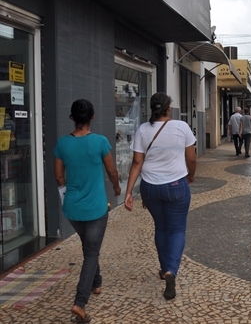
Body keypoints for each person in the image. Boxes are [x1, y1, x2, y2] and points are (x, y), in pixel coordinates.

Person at [54, 99, 121, 323]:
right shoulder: (100, 142)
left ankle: (97, 282)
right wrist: (117, 187)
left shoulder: (62, 144)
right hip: (95, 208)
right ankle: (79, 303)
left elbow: (58, 176)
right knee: (91, 252)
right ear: (92, 117)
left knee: (89, 246)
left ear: (72, 118)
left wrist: (67, 189)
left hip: (72, 209)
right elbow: (112, 171)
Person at [124, 92, 196, 301]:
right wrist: (191, 175)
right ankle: (171, 271)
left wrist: (129, 191)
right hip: (176, 185)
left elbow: (137, 162)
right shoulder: (181, 127)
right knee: (177, 228)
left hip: (150, 188)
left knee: (161, 227)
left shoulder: (143, 129)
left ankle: (164, 268)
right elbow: (190, 157)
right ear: (168, 109)